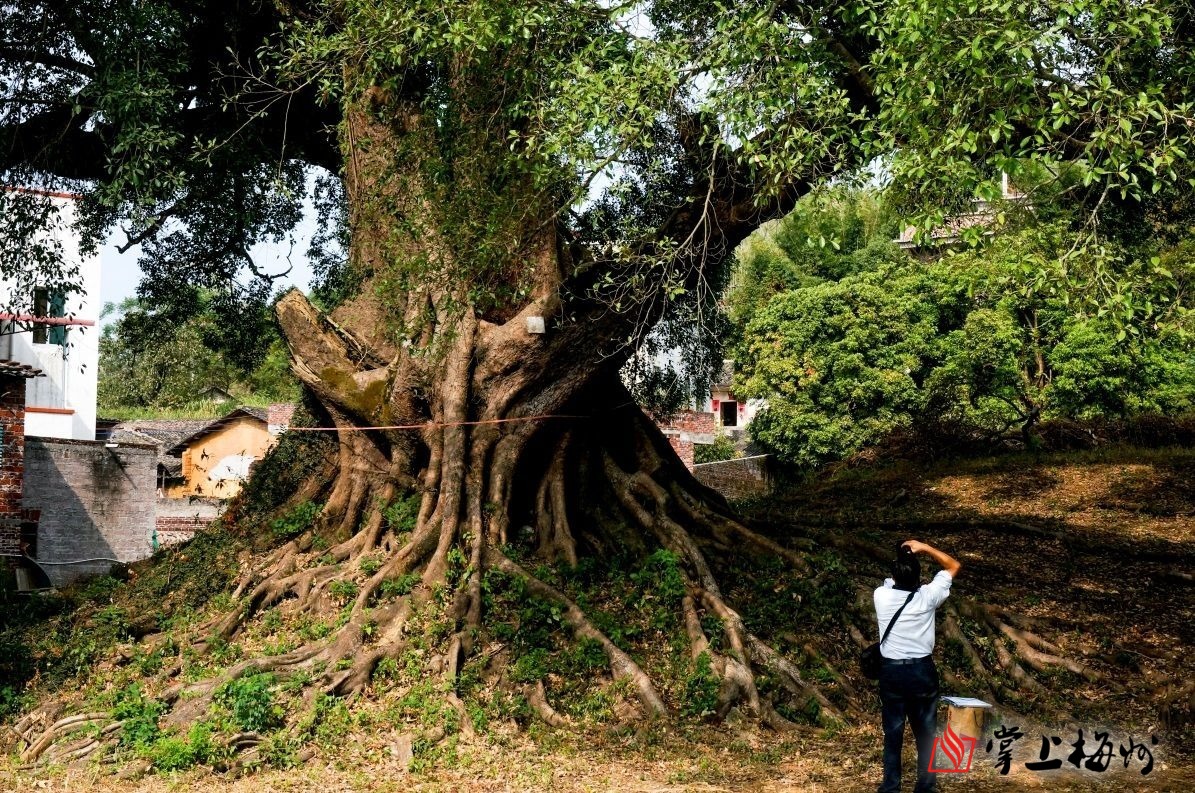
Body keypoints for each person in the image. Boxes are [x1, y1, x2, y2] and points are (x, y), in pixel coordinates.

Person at [874, 539, 962, 793]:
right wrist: (925, 548)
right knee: (926, 734)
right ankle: (925, 787)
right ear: (918, 576)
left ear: (894, 574)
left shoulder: (881, 596)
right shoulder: (928, 597)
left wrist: (901, 554)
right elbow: (954, 565)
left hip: (891, 672)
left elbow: (893, 579)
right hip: (922, 672)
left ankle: (891, 787)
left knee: (893, 735)